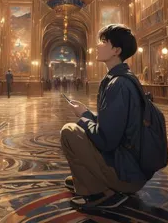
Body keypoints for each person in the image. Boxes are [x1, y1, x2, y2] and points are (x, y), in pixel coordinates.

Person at [60, 24, 148, 210]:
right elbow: (113, 126)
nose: (98, 46)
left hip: (126, 174)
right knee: (79, 128)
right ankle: (91, 181)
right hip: (131, 168)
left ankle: (100, 193)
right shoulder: (121, 78)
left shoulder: (118, 84)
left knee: (69, 131)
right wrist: (89, 114)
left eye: (104, 42)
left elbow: (106, 141)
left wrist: (83, 116)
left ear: (116, 50)